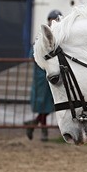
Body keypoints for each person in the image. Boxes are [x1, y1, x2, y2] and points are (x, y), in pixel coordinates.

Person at [26, 10, 63, 141]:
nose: (54, 22)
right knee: (43, 103)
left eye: (57, 20)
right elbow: (33, 54)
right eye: (53, 19)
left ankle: (34, 124)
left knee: (51, 104)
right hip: (42, 76)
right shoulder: (41, 36)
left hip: (55, 74)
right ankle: (43, 130)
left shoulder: (60, 36)